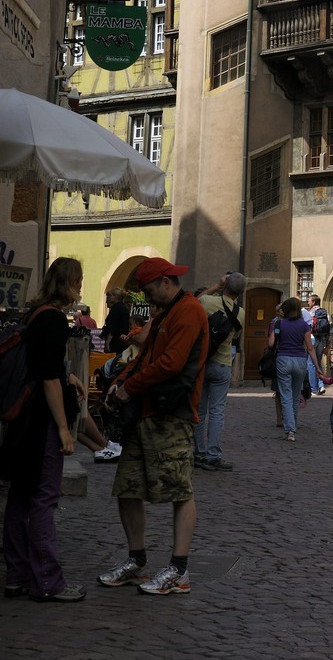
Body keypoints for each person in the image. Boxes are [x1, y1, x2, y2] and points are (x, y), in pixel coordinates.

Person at [98, 258, 209, 596]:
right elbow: (145, 358)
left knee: (180, 489)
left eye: (147, 291)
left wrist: (129, 387)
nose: (146, 299)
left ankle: (179, 569)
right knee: (127, 487)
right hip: (146, 413)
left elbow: (171, 363)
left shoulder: (188, 311)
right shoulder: (164, 313)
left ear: (164, 282)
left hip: (171, 413)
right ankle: (136, 560)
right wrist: (117, 384)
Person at [1, 256, 87, 602]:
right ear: (67, 282)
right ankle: (48, 582)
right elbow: (48, 377)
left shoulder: (34, 314)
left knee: (21, 496)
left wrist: (68, 375)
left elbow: (42, 364)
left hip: (23, 418)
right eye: (78, 280)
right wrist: (64, 429)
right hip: (41, 421)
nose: (80, 286)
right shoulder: (53, 319)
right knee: (43, 499)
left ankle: (17, 576)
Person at [192, 271, 245, 472]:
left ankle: (199, 452)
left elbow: (193, 303)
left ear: (225, 285)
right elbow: (236, 335)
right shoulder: (240, 312)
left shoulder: (207, 302)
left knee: (200, 408)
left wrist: (216, 285)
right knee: (217, 411)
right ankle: (213, 455)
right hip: (223, 363)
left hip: (203, 361)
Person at [269, 297, 314, 442]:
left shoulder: (279, 323)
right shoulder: (304, 325)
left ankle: (290, 430)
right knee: (295, 396)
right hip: (300, 360)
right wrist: (317, 367)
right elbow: (310, 347)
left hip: (283, 359)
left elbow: (271, 344)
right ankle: (292, 426)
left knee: (286, 396)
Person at [309, 294, 330, 394]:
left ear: (313, 302)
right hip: (322, 340)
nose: (308, 302)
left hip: (312, 339)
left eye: (309, 301)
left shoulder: (310, 313)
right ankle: (321, 385)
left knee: (311, 364)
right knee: (319, 362)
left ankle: (313, 388)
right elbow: (328, 330)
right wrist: (328, 345)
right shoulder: (325, 313)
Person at [102, 289, 131, 354]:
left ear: (115, 297)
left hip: (116, 343)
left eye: (109, 296)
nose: (107, 300)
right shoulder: (123, 308)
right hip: (121, 342)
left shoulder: (116, 309)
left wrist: (108, 342)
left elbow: (112, 327)